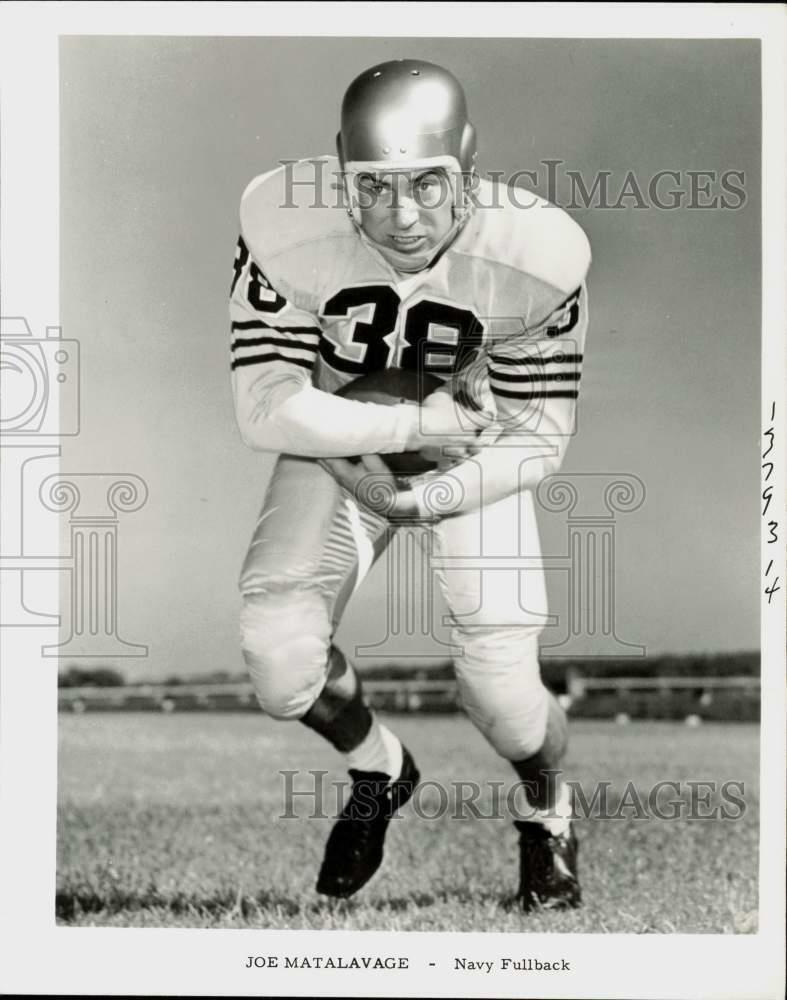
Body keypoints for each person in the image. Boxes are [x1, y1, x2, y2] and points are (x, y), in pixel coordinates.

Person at [229, 59, 590, 910]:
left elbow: (538, 435)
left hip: (478, 450)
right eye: (375, 187)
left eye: (429, 184)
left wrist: (426, 492)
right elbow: (265, 406)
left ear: (466, 163)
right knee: (280, 661)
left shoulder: (537, 254)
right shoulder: (283, 224)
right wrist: (412, 426)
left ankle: (548, 813)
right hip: (345, 437)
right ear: (338, 174)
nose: (402, 215)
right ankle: (378, 768)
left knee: (503, 696)